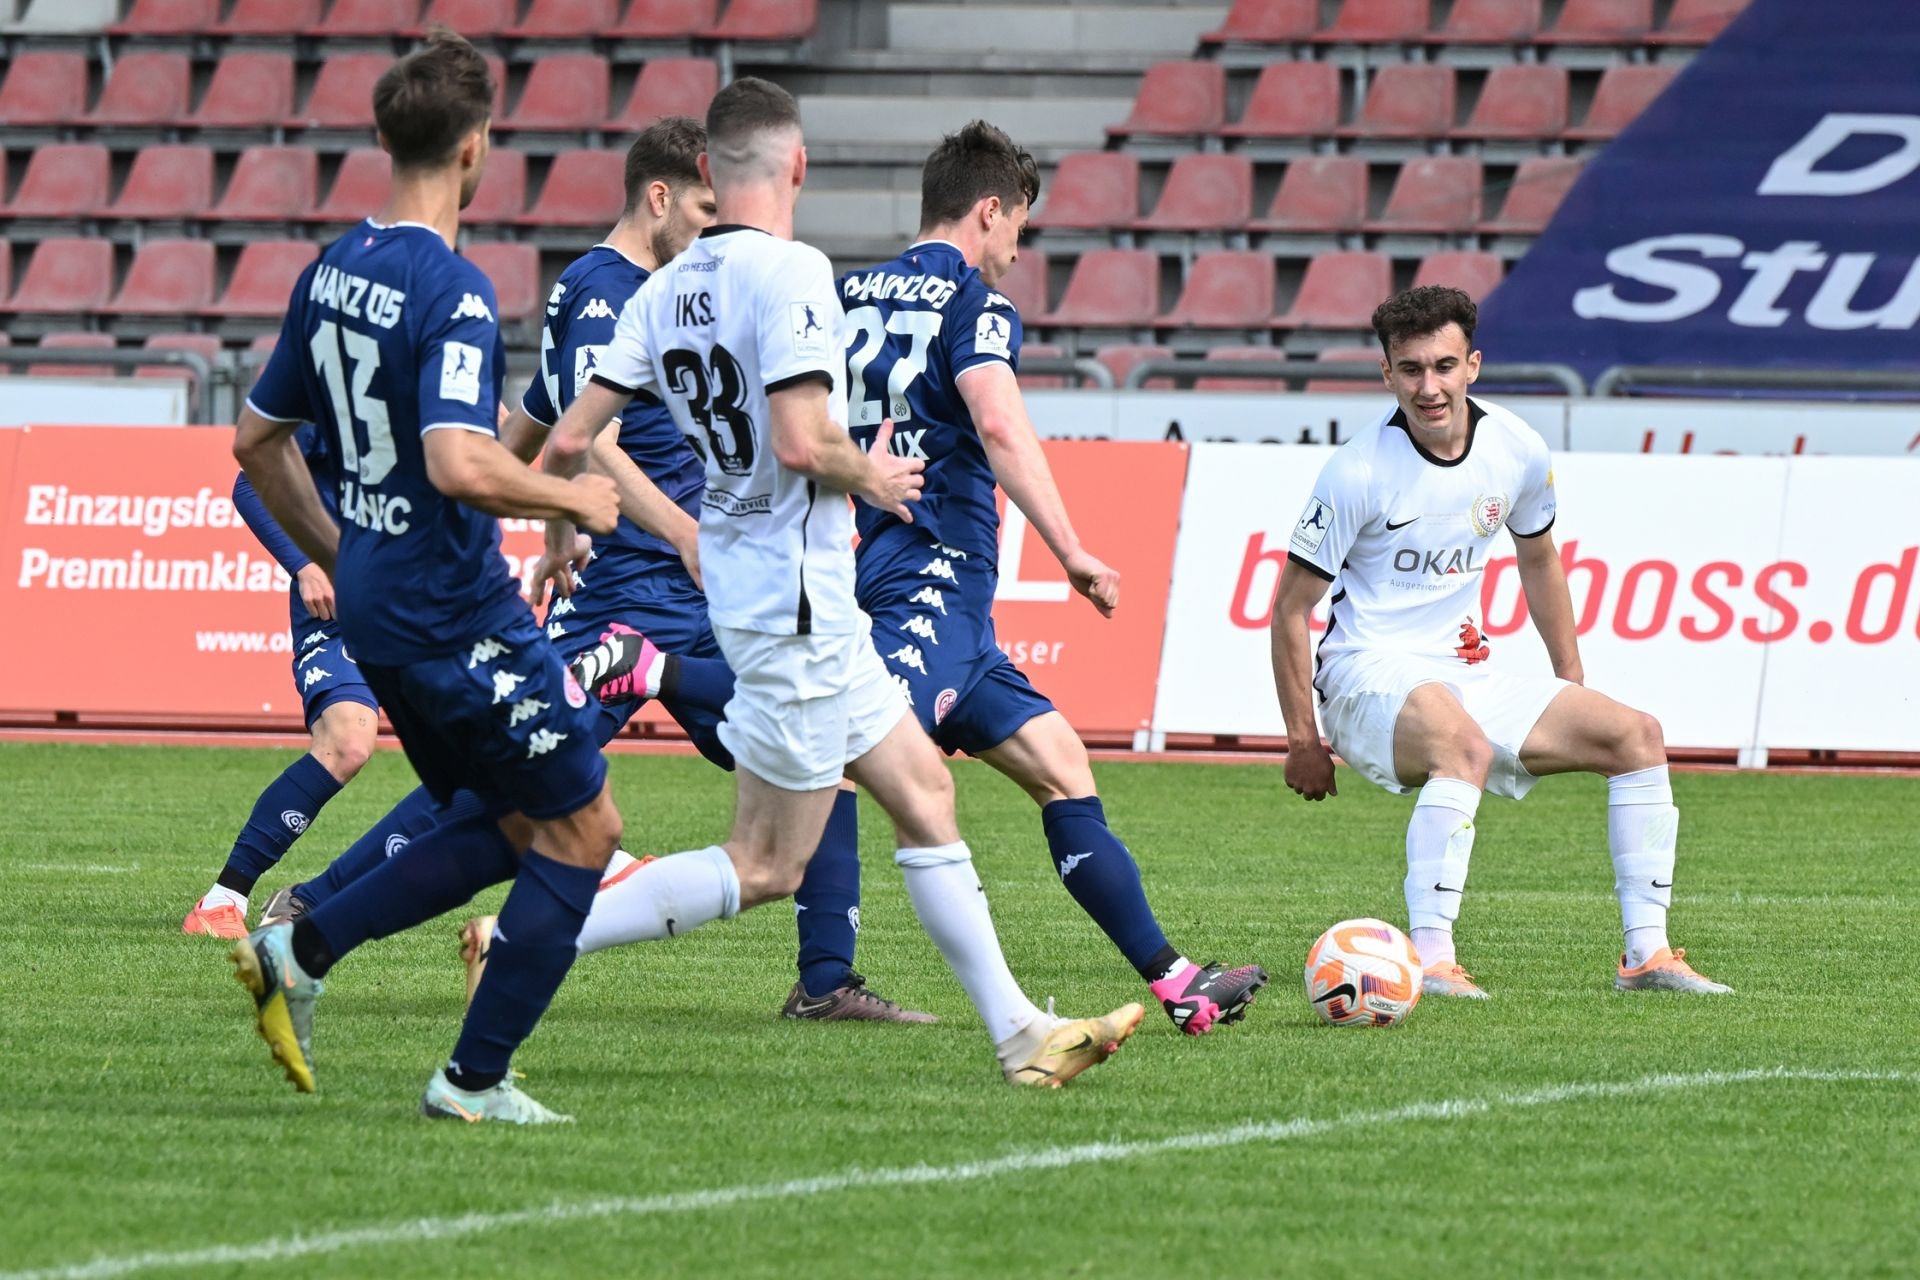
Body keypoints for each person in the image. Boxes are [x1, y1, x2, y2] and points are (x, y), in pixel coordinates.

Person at [539, 77, 1143, 1085]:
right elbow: (799, 438)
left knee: (926, 790)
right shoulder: (795, 272)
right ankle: (536, 931)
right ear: (799, 165)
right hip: (799, 594)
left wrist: (566, 513)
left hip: (759, 583)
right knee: (767, 862)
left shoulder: (663, 288)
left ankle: (1023, 1036)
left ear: (705, 172)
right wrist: (872, 470)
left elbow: (568, 436)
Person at [229, 29, 629, 1125]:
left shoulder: (330, 271)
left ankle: (300, 947)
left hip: (382, 611)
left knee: (506, 816)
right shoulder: (450, 289)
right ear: (477, 148)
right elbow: (460, 460)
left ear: (381, 138)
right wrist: (572, 498)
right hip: (456, 614)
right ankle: (472, 1079)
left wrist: (341, 555)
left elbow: (258, 442)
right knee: (586, 828)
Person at [832, 120, 1266, 1033]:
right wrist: (1070, 550)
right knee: (835, 763)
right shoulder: (976, 303)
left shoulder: (843, 295)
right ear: (989, 210)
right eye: (1018, 225)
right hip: (930, 577)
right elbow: (999, 426)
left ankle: (1175, 982)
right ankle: (818, 975)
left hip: (924, 590)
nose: (1018, 250)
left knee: (1063, 767)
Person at [1267, 285, 1730, 999]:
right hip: (1365, 677)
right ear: (1386, 375)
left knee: (1637, 736)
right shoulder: (1357, 471)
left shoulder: (1516, 448)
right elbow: (1291, 611)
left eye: (1444, 366)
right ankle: (1429, 960)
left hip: (1459, 671)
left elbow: (1539, 560)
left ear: (1473, 365)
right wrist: (1303, 737)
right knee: (1466, 748)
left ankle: (1647, 956)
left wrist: (1572, 681)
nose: (1430, 387)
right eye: (1411, 369)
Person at [182, 426, 379, 939]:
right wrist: (306, 564)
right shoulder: (344, 392)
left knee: (496, 750)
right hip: (341, 610)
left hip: (430, 603)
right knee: (348, 742)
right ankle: (224, 899)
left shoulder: (450, 389)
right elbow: (251, 482)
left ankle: (585, 875)